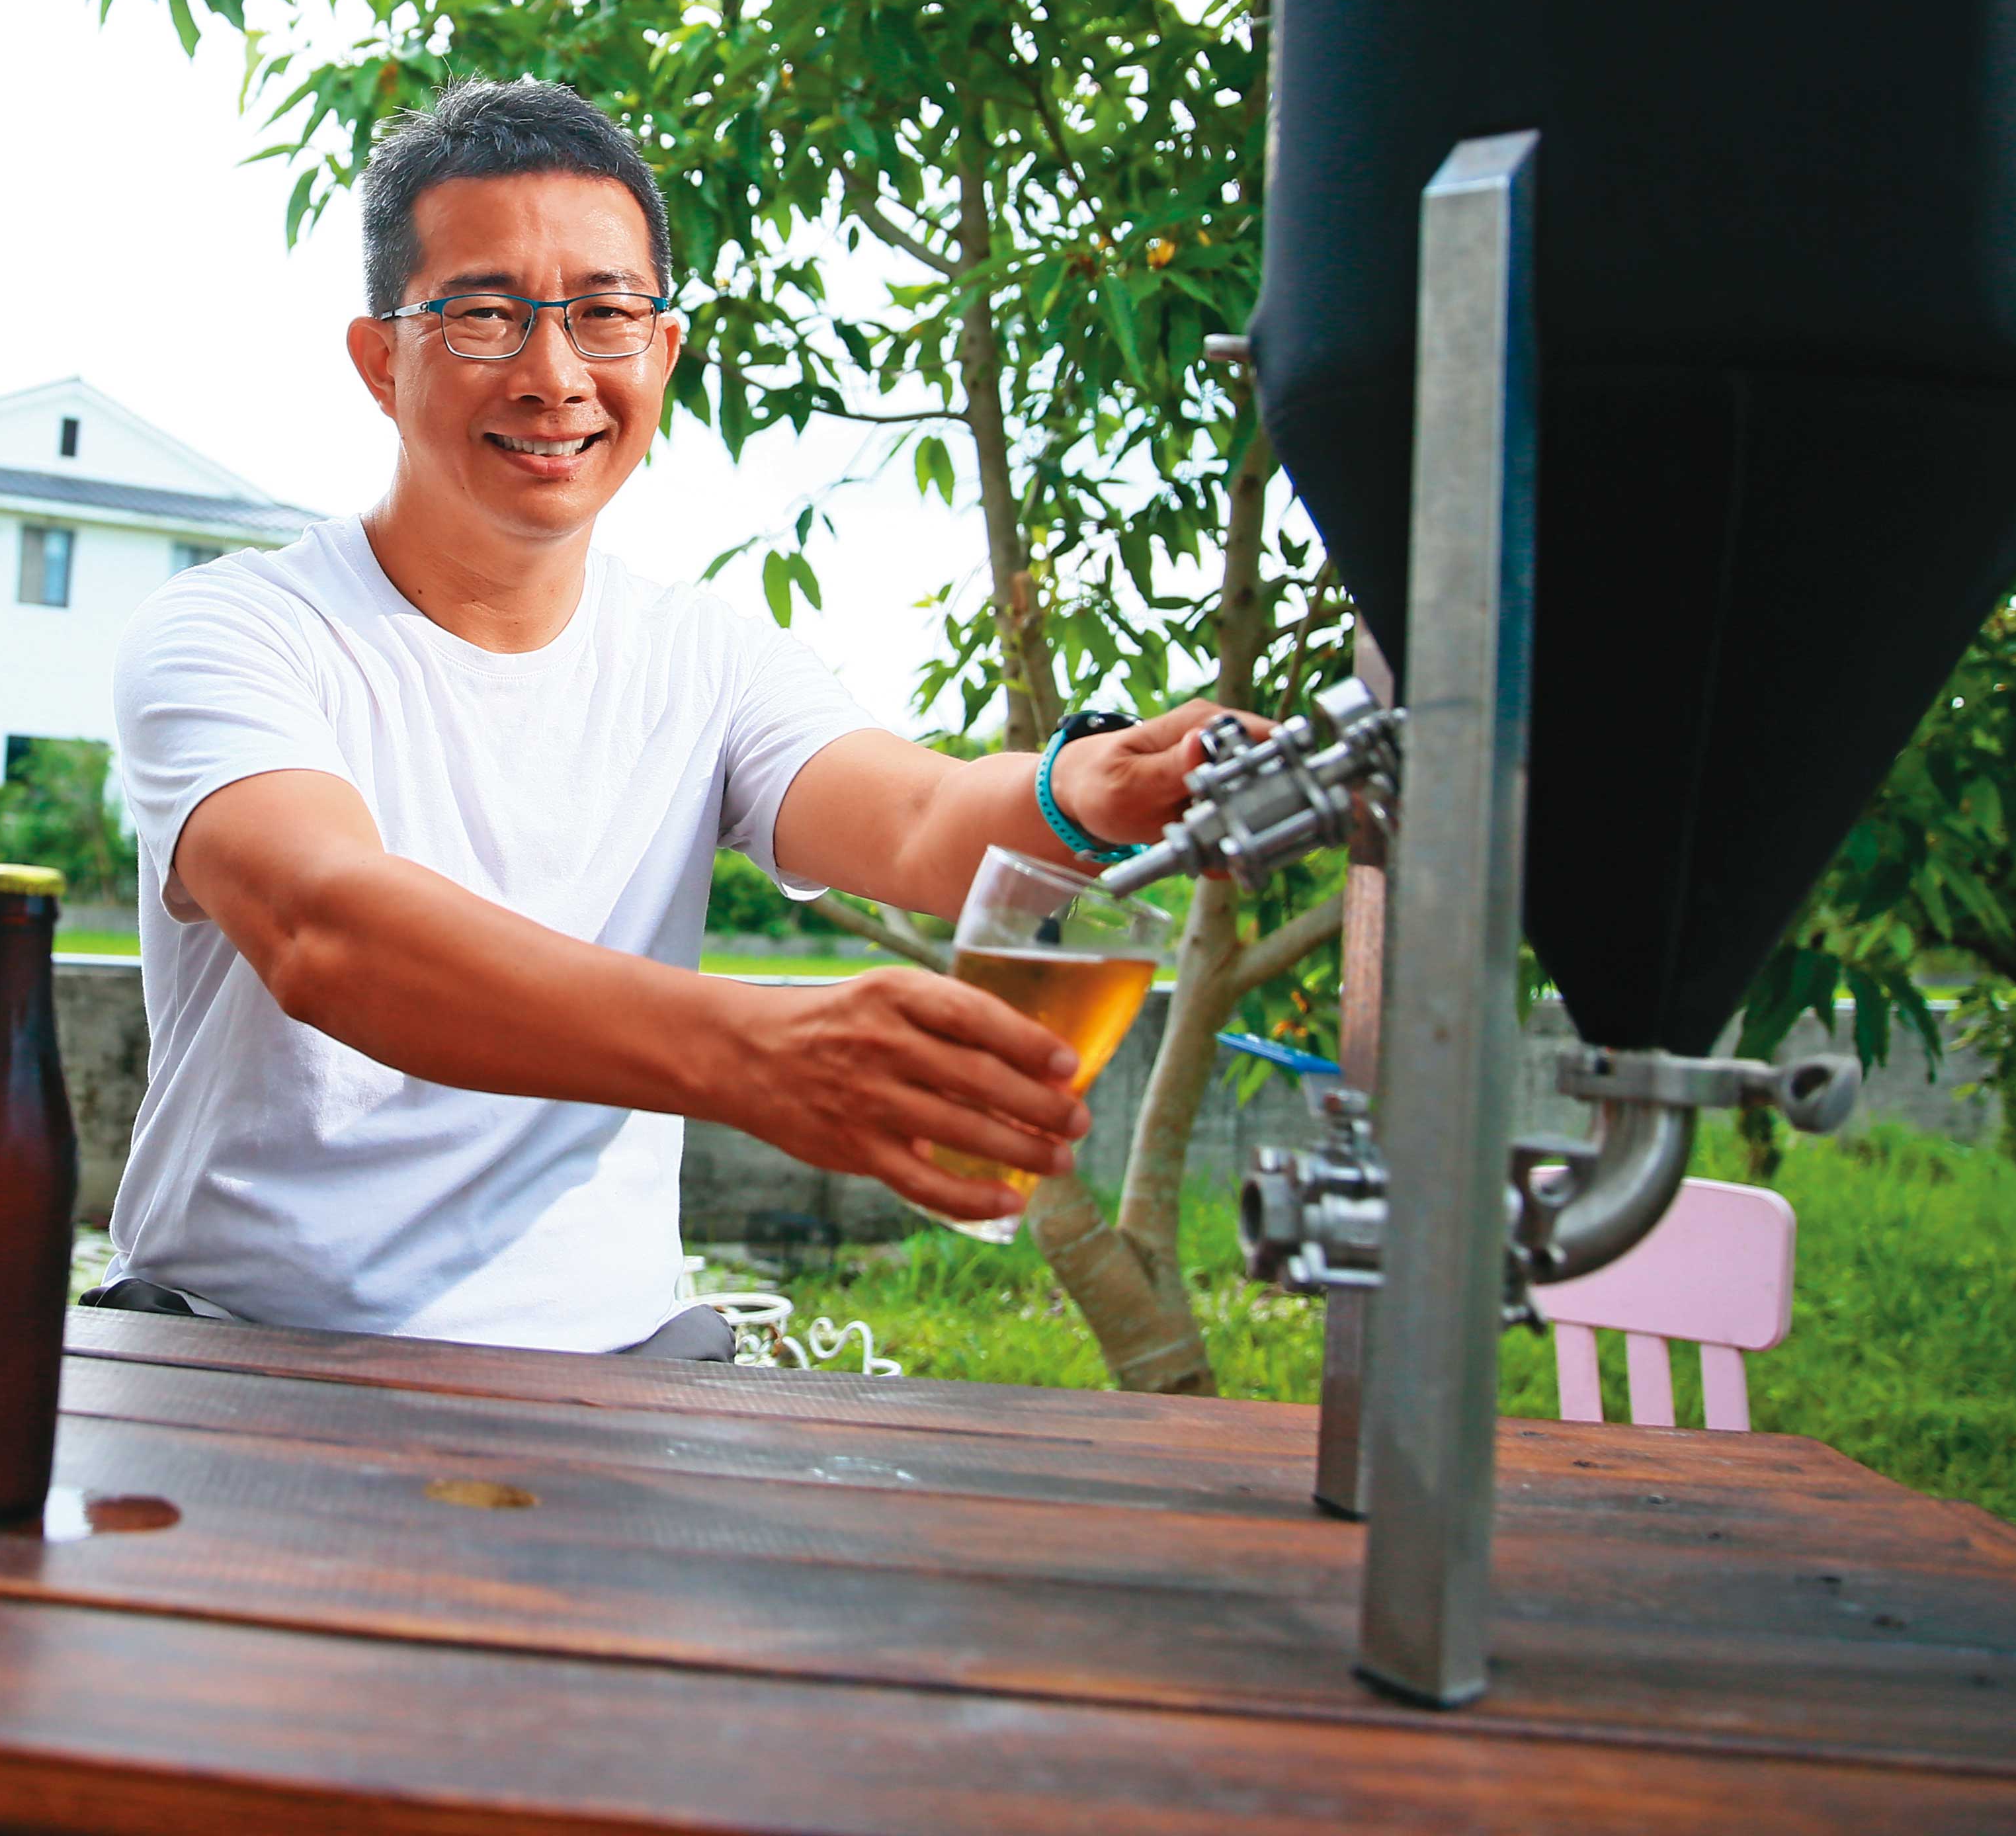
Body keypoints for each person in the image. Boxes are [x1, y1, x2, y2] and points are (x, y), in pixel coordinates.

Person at [95, 80, 1241, 1358]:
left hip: (622, 1371)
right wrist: (754, 1051)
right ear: (381, 359)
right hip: (247, 1351)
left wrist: (1076, 794)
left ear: (664, 350)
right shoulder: (233, 634)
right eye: (485, 316)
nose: (553, 375)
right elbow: (326, 929)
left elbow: (918, 816)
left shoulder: (706, 659)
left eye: (604, 316)